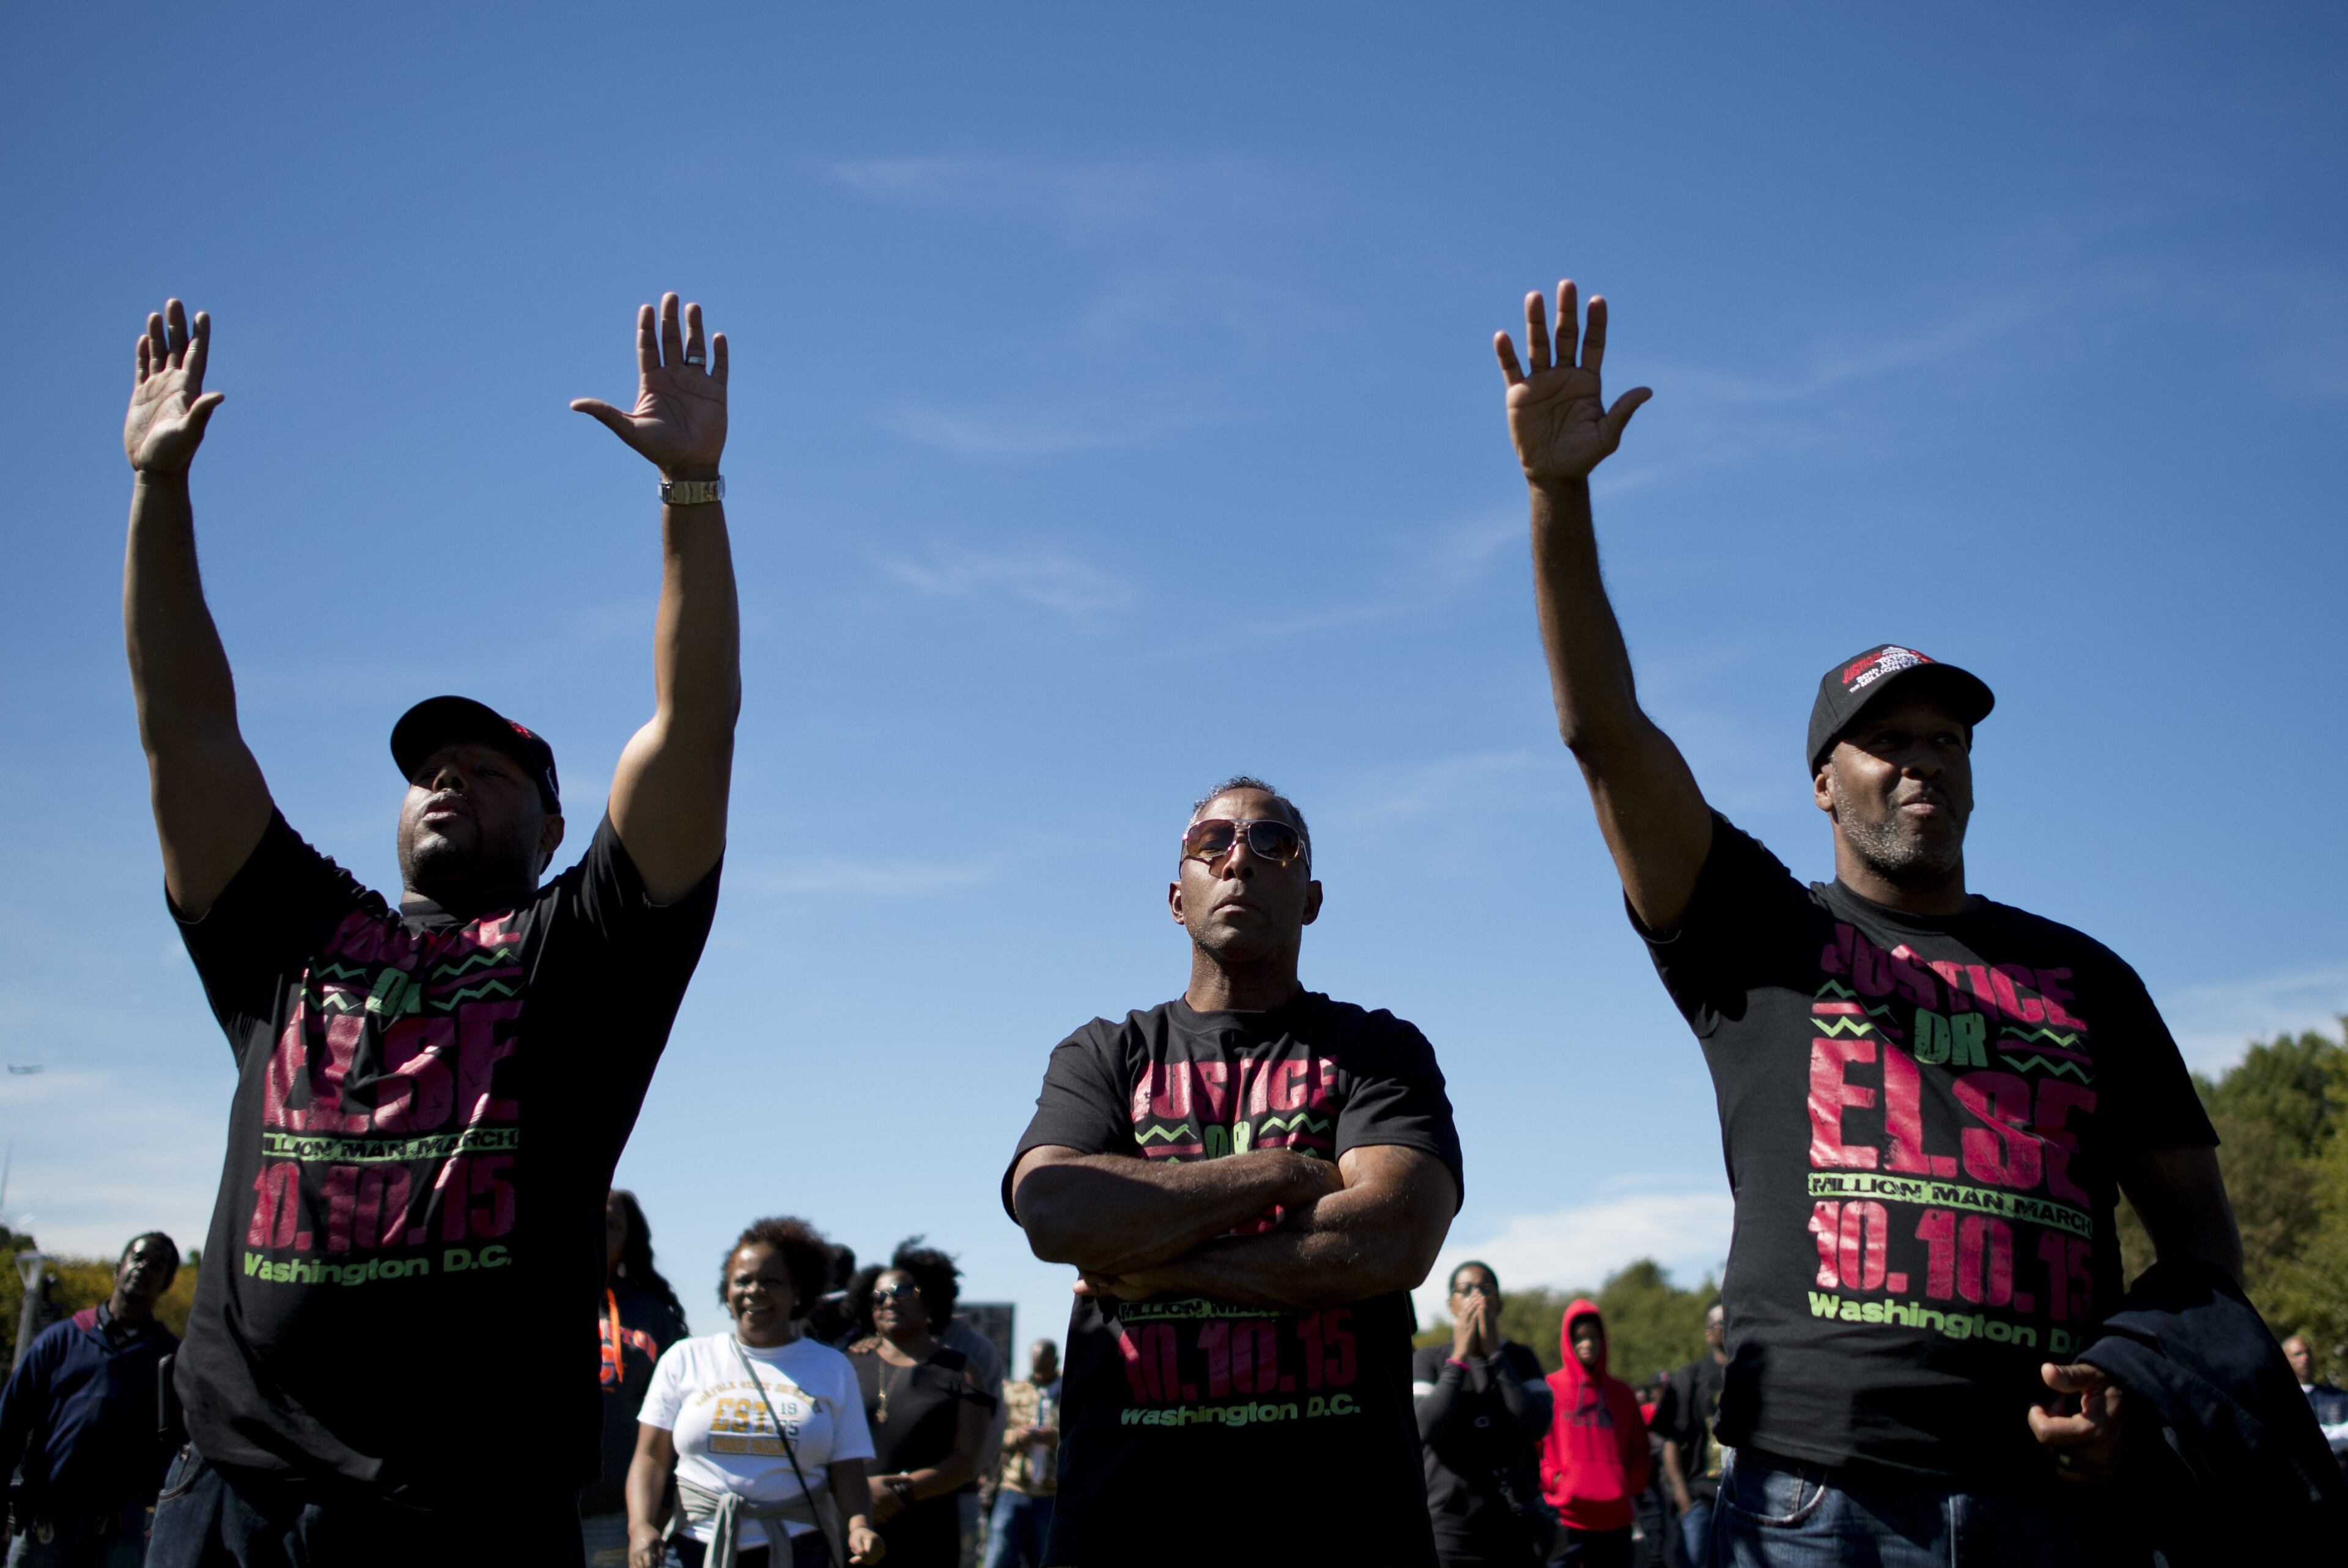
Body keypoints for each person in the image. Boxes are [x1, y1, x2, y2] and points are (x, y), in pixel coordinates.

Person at [1492, 278, 2242, 1564]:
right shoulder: (1756, 934)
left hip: (2060, 1510)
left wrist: (2135, 1379)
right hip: (1816, 1508)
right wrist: (1559, 500)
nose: (1920, 763)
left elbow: (2200, 1242)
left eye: (1943, 739)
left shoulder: (2087, 977)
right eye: (1884, 742)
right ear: (1821, 781)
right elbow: (1602, 732)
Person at [125, 292, 740, 1567]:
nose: (449, 777)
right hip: (238, 1499)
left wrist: (691, 495)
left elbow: (693, 732)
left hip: (470, 1510)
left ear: (556, 813)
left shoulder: (585, 950)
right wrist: (159, 491)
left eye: (489, 767)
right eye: (428, 767)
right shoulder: (289, 929)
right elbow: (185, 724)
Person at [1007, 776, 1464, 1566]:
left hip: (1344, 1525)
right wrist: (1287, 1171)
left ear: (1311, 896)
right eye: (1211, 843)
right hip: (1127, 1525)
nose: (1239, 861)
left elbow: (1393, 1235)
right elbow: (1054, 1208)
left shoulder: (1377, 1050)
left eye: (1272, 843)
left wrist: (1151, 1263)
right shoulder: (1105, 1054)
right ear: (1177, 897)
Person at [630, 1219, 882, 1568]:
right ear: (726, 1290)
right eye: (743, 1281)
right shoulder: (686, 1357)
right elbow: (651, 1457)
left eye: (771, 1281)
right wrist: (640, 1526)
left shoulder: (832, 1367)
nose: (754, 1291)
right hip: (692, 1550)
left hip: (797, 1550)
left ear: (798, 1291)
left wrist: (859, 1526)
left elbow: (848, 1468)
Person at [0, 1234, 181, 1567]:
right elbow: (8, 1423)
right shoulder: (60, 1340)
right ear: (118, 1269)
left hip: (118, 1534)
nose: (143, 1268)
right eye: (137, 1258)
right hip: (45, 1524)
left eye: (156, 1265)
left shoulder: (169, 1359)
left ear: (167, 1283)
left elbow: (179, 1449)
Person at [847, 1261, 994, 1568]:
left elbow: (968, 1461)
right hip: (855, 1528)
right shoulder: (846, 1365)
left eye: (901, 1291)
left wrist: (900, 1492)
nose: (889, 1300)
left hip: (929, 1532)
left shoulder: (962, 1370)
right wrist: (862, 1495)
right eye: (879, 1295)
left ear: (929, 1300)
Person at [1412, 1261, 1552, 1566]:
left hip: (1516, 1530)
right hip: (1452, 1533)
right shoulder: (1428, 1360)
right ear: (1452, 1304)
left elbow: (1537, 1423)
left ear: (1498, 1303)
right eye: (1465, 1290)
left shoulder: (1520, 1358)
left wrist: (1495, 1358)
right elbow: (1424, 1427)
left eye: (1485, 1289)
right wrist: (1459, 1358)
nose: (1476, 1297)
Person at [585, 1193, 692, 1566]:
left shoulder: (653, 1315)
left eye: (612, 1225)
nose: (597, 1232)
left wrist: (660, 1507)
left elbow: (682, 1417)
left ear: (629, 1241)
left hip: (620, 1519)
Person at [883, 1242, 1004, 1568]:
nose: (895, 1298)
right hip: (882, 1501)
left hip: (951, 1499)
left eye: (905, 1289)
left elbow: (989, 1437)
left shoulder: (974, 1354)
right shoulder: (880, 1346)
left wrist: (938, 1479)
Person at [1538, 1301, 1650, 1567]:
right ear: (1568, 1341)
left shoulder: (1622, 1394)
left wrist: (1626, 1485)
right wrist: (1555, 1480)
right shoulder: (1549, 1390)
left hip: (1616, 1520)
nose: (1586, 1344)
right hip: (1566, 1520)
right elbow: (1533, 1450)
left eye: (1592, 1337)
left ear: (1603, 1340)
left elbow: (1641, 1451)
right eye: (1578, 1338)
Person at [1653, 1304, 1728, 1568]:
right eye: (1719, 1323)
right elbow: (1671, 1443)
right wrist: (1684, 1500)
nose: (1727, 1327)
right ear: (1708, 1333)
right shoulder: (1690, 1378)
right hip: (1702, 1500)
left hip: (1747, 1500)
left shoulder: (1751, 1375)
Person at [981, 1341, 1060, 1568]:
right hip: (1014, 1488)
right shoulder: (1013, 1391)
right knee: (998, 1559)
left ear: (1055, 1362)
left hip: (1051, 1493)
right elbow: (993, 1436)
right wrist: (1017, 1437)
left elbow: (1082, 1437)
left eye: (1044, 1368)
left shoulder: (1068, 1392)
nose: (1039, 1374)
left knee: (1047, 1559)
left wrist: (1055, 1438)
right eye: (1036, 1368)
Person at [2284, 1334, 2348, 1479]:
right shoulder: (2281, 1399)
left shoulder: (2339, 1397)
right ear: (2285, 1359)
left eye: (2308, 1353)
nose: (2305, 1358)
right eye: (2298, 1354)